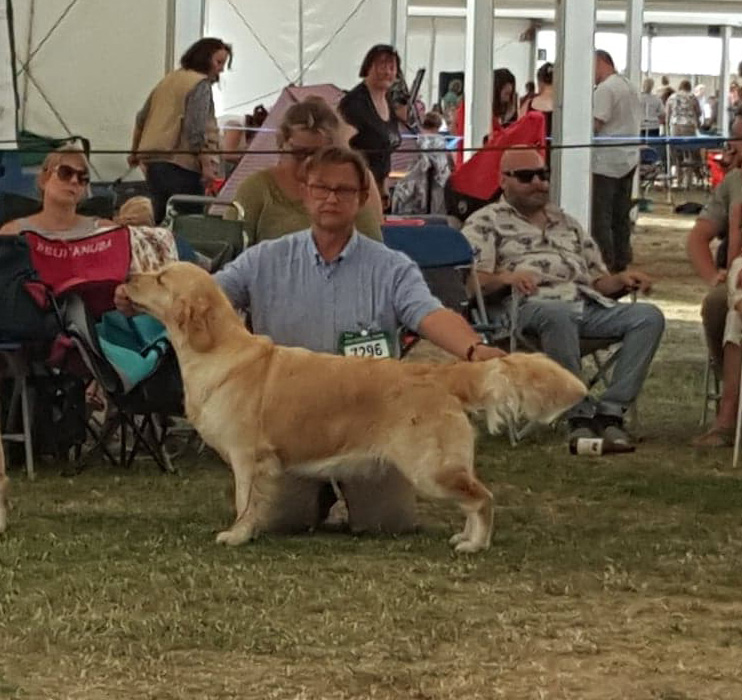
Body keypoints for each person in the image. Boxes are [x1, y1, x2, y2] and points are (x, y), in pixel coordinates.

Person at [116, 146, 504, 532]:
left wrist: (474, 348)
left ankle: (348, 492)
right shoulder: (264, 258)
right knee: (280, 524)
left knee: (389, 524)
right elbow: (203, 298)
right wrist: (144, 299)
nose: (331, 198)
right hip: (291, 427)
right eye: (321, 188)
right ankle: (310, 495)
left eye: (344, 190)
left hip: (372, 413)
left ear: (363, 198)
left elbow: (430, 314)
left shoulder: (391, 266)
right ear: (305, 193)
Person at [461, 147, 664, 448]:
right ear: (502, 180)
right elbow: (472, 283)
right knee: (557, 312)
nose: (538, 183)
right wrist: (506, 278)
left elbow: (597, 280)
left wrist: (620, 280)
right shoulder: (485, 221)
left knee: (648, 317)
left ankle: (610, 413)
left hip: (584, 305)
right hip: (523, 310)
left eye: (543, 175)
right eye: (526, 176)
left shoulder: (565, 221)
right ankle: (578, 413)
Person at [232, 97, 383, 244]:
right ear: (281, 145)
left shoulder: (349, 190)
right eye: (298, 154)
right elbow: (227, 249)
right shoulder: (256, 189)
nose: (307, 163)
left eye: (318, 155)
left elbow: (376, 253)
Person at [128, 37, 232, 224]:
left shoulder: (169, 80)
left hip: (155, 165)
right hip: (182, 165)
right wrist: (207, 167)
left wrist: (135, 152)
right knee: (188, 224)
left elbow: (141, 118)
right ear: (204, 59)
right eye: (219, 62)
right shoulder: (200, 85)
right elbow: (195, 129)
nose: (221, 69)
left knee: (162, 221)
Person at [687, 114, 742, 446]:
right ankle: (729, 413)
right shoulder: (733, 183)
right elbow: (698, 238)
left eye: (736, 139)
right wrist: (713, 275)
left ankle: (728, 417)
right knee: (722, 303)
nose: (731, 146)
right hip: (739, 272)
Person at [592, 49, 642, 274]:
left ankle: (605, 259)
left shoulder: (605, 89)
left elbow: (596, 123)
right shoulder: (629, 85)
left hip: (606, 161)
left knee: (601, 214)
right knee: (621, 213)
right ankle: (623, 256)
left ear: (601, 62)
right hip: (629, 158)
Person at [0, 145, 115, 237]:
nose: (74, 180)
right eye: (65, 173)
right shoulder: (13, 233)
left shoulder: (105, 231)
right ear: (44, 179)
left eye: (82, 177)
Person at [338, 44, 402, 199]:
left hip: (378, 187)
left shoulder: (387, 100)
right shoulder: (354, 104)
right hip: (357, 189)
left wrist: (383, 186)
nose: (387, 72)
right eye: (381, 66)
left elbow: (385, 151)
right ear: (368, 67)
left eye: (392, 67)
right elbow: (341, 146)